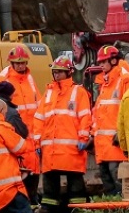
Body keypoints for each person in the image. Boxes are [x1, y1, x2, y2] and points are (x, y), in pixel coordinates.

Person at [35, 56, 92, 212]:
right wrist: (36, 141)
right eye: (55, 72)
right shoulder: (48, 93)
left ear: (69, 72)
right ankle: (48, 210)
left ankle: (77, 210)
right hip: (50, 151)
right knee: (49, 191)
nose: (57, 75)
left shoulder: (78, 92)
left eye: (60, 72)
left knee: (76, 188)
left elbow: (85, 117)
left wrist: (83, 138)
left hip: (71, 150)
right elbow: (39, 119)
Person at [0, 47, 41, 200]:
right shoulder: (3, 79)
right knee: (17, 176)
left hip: (30, 137)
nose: (20, 66)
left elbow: (38, 104)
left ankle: (31, 203)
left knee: (32, 173)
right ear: (11, 63)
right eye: (17, 63)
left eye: (23, 63)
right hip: (13, 135)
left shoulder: (30, 79)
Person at [91, 46, 129, 196]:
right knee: (109, 184)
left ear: (113, 60)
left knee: (118, 183)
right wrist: (92, 134)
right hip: (103, 145)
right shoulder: (105, 83)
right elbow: (98, 111)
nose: (101, 65)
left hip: (116, 145)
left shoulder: (124, 79)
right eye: (100, 62)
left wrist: (122, 133)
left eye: (104, 61)